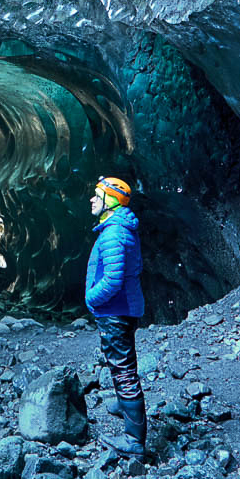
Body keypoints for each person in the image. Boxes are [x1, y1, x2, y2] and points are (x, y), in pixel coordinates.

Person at [85, 175, 147, 458]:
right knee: (120, 363)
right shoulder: (120, 227)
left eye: (97, 194)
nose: (92, 199)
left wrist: (91, 299)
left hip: (115, 310)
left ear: (110, 200)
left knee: (123, 370)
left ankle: (134, 440)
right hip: (123, 308)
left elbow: (112, 279)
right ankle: (125, 405)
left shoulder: (113, 233)